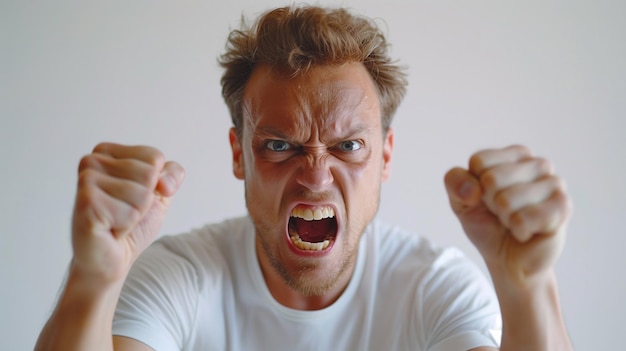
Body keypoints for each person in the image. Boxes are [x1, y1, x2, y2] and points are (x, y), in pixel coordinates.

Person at [35, 5, 573, 351]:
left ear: (385, 158)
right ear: (240, 156)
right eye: (279, 146)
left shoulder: (433, 288)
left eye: (348, 146)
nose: (315, 176)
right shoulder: (181, 278)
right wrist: (92, 276)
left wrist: (526, 287)